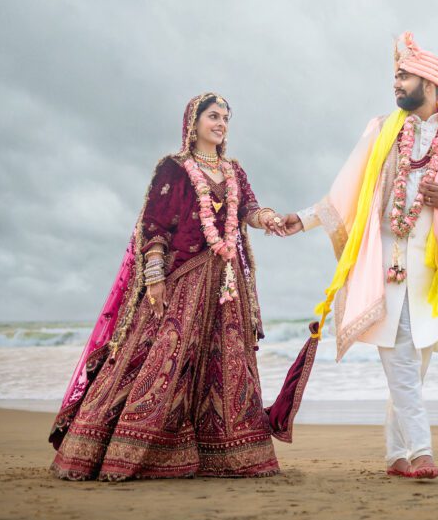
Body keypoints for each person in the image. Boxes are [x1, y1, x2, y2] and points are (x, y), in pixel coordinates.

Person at [49, 92, 297, 481]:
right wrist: (154, 278)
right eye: (213, 116)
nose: (221, 124)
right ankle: (134, 451)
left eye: (226, 118)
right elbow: (155, 225)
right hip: (183, 279)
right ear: (193, 122)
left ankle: (230, 456)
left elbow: (248, 206)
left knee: (227, 364)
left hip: (226, 285)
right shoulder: (174, 169)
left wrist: (268, 218)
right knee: (164, 358)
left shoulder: (233, 170)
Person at [282, 32, 438, 480]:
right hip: (382, 269)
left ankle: (395, 455)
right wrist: (303, 219)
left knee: (415, 368)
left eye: (404, 76)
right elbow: (344, 188)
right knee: (399, 360)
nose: (396, 83)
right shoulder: (380, 130)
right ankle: (421, 452)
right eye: (395, 76)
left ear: (430, 85)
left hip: (431, 277)